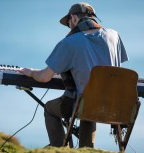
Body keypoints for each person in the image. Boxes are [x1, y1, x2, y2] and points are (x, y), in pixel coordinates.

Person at [18, 2, 128, 148]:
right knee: (90, 107)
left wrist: (31, 72)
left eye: (68, 23)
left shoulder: (69, 42)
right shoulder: (114, 35)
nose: (70, 27)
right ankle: (86, 149)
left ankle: (60, 149)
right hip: (116, 106)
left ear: (74, 18)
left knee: (50, 109)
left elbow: (44, 77)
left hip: (85, 105)